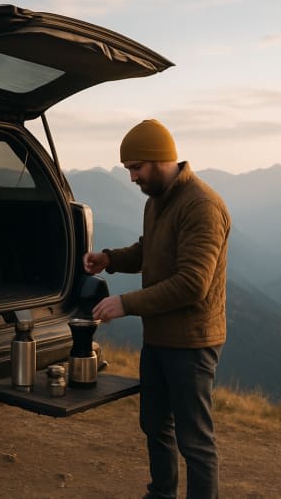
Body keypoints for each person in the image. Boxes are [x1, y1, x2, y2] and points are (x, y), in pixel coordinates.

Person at [83, 119, 231, 499]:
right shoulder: (158, 200)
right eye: (129, 169)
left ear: (160, 159)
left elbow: (192, 284)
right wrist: (109, 259)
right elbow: (150, 249)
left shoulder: (203, 206)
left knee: (195, 440)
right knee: (155, 424)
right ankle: (161, 493)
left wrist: (125, 303)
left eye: (136, 168)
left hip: (192, 343)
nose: (132, 178)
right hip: (159, 338)